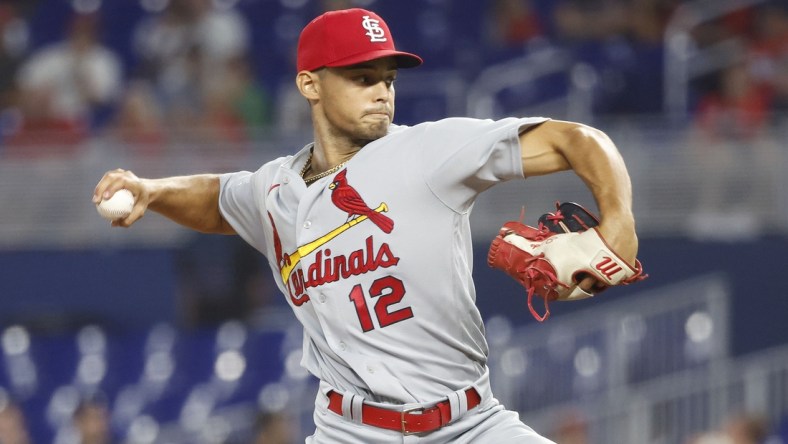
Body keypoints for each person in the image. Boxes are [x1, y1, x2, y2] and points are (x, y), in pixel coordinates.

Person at [93, 8, 640, 443]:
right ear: (310, 85)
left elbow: (576, 139)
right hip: (348, 431)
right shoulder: (275, 189)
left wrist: (619, 220)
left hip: (470, 426)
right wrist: (153, 190)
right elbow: (218, 199)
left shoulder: (428, 151)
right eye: (361, 77)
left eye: (387, 77)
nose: (382, 91)